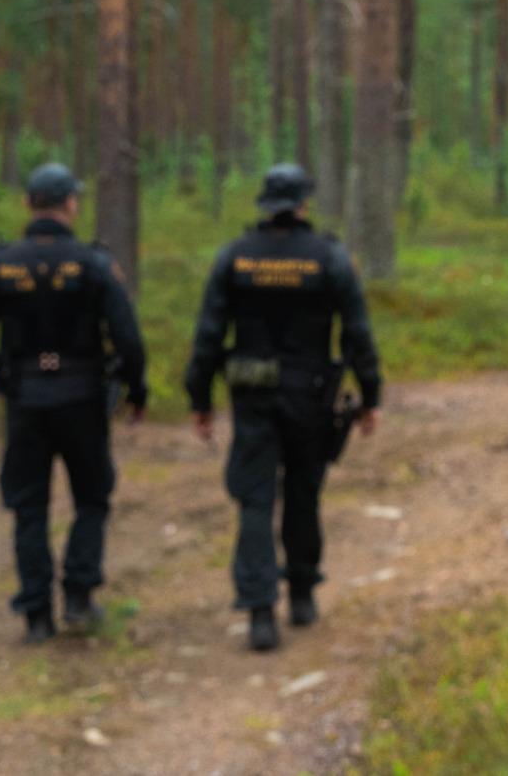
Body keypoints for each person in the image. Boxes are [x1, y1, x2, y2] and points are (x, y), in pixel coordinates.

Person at [185, 164, 382, 652]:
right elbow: (357, 333)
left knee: (255, 497)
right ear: (303, 205)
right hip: (309, 392)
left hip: (252, 390)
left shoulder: (235, 258)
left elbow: (209, 336)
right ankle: (300, 595)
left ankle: (259, 612)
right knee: (302, 492)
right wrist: (371, 395)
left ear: (264, 204)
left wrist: (200, 398)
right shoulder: (329, 258)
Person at [0, 163, 147, 644]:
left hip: (25, 397)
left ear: (28, 204)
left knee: (29, 507)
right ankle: (80, 598)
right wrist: (136, 390)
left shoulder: (2, 265)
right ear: (70, 205)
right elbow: (126, 335)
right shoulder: (91, 263)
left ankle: (37, 615)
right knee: (91, 497)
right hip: (82, 395)